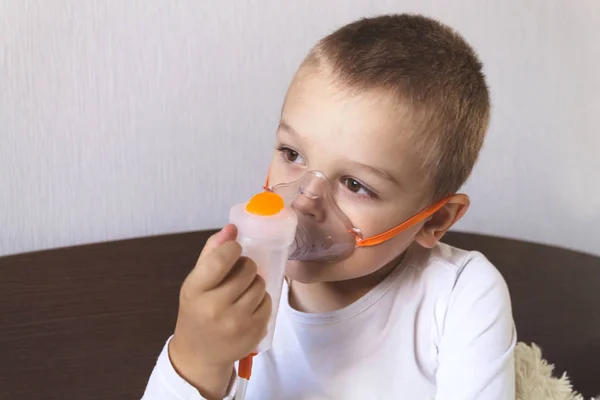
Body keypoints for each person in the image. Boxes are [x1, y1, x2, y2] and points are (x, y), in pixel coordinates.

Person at [143, 13, 516, 400]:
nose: (305, 199)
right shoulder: (238, 297)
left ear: (434, 219)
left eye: (355, 184)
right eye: (292, 154)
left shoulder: (460, 296)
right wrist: (196, 357)